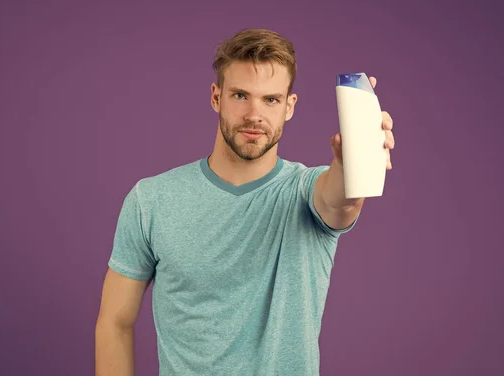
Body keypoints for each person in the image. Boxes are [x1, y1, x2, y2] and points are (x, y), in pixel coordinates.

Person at [95, 28, 395, 376]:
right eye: (240, 95)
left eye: (270, 99)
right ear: (216, 97)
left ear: (289, 107)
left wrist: (352, 162)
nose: (254, 114)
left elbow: (341, 201)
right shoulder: (151, 200)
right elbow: (115, 322)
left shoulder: (305, 190)